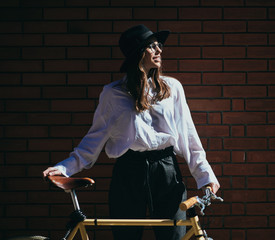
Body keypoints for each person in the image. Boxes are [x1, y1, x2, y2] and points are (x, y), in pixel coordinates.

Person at [42, 24, 220, 240]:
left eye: (159, 45)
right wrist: (64, 168)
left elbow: (189, 137)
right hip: (128, 172)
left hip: (166, 171)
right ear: (139, 53)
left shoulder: (173, 89)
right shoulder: (113, 94)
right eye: (152, 46)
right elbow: (93, 140)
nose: (159, 50)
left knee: (174, 235)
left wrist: (205, 176)